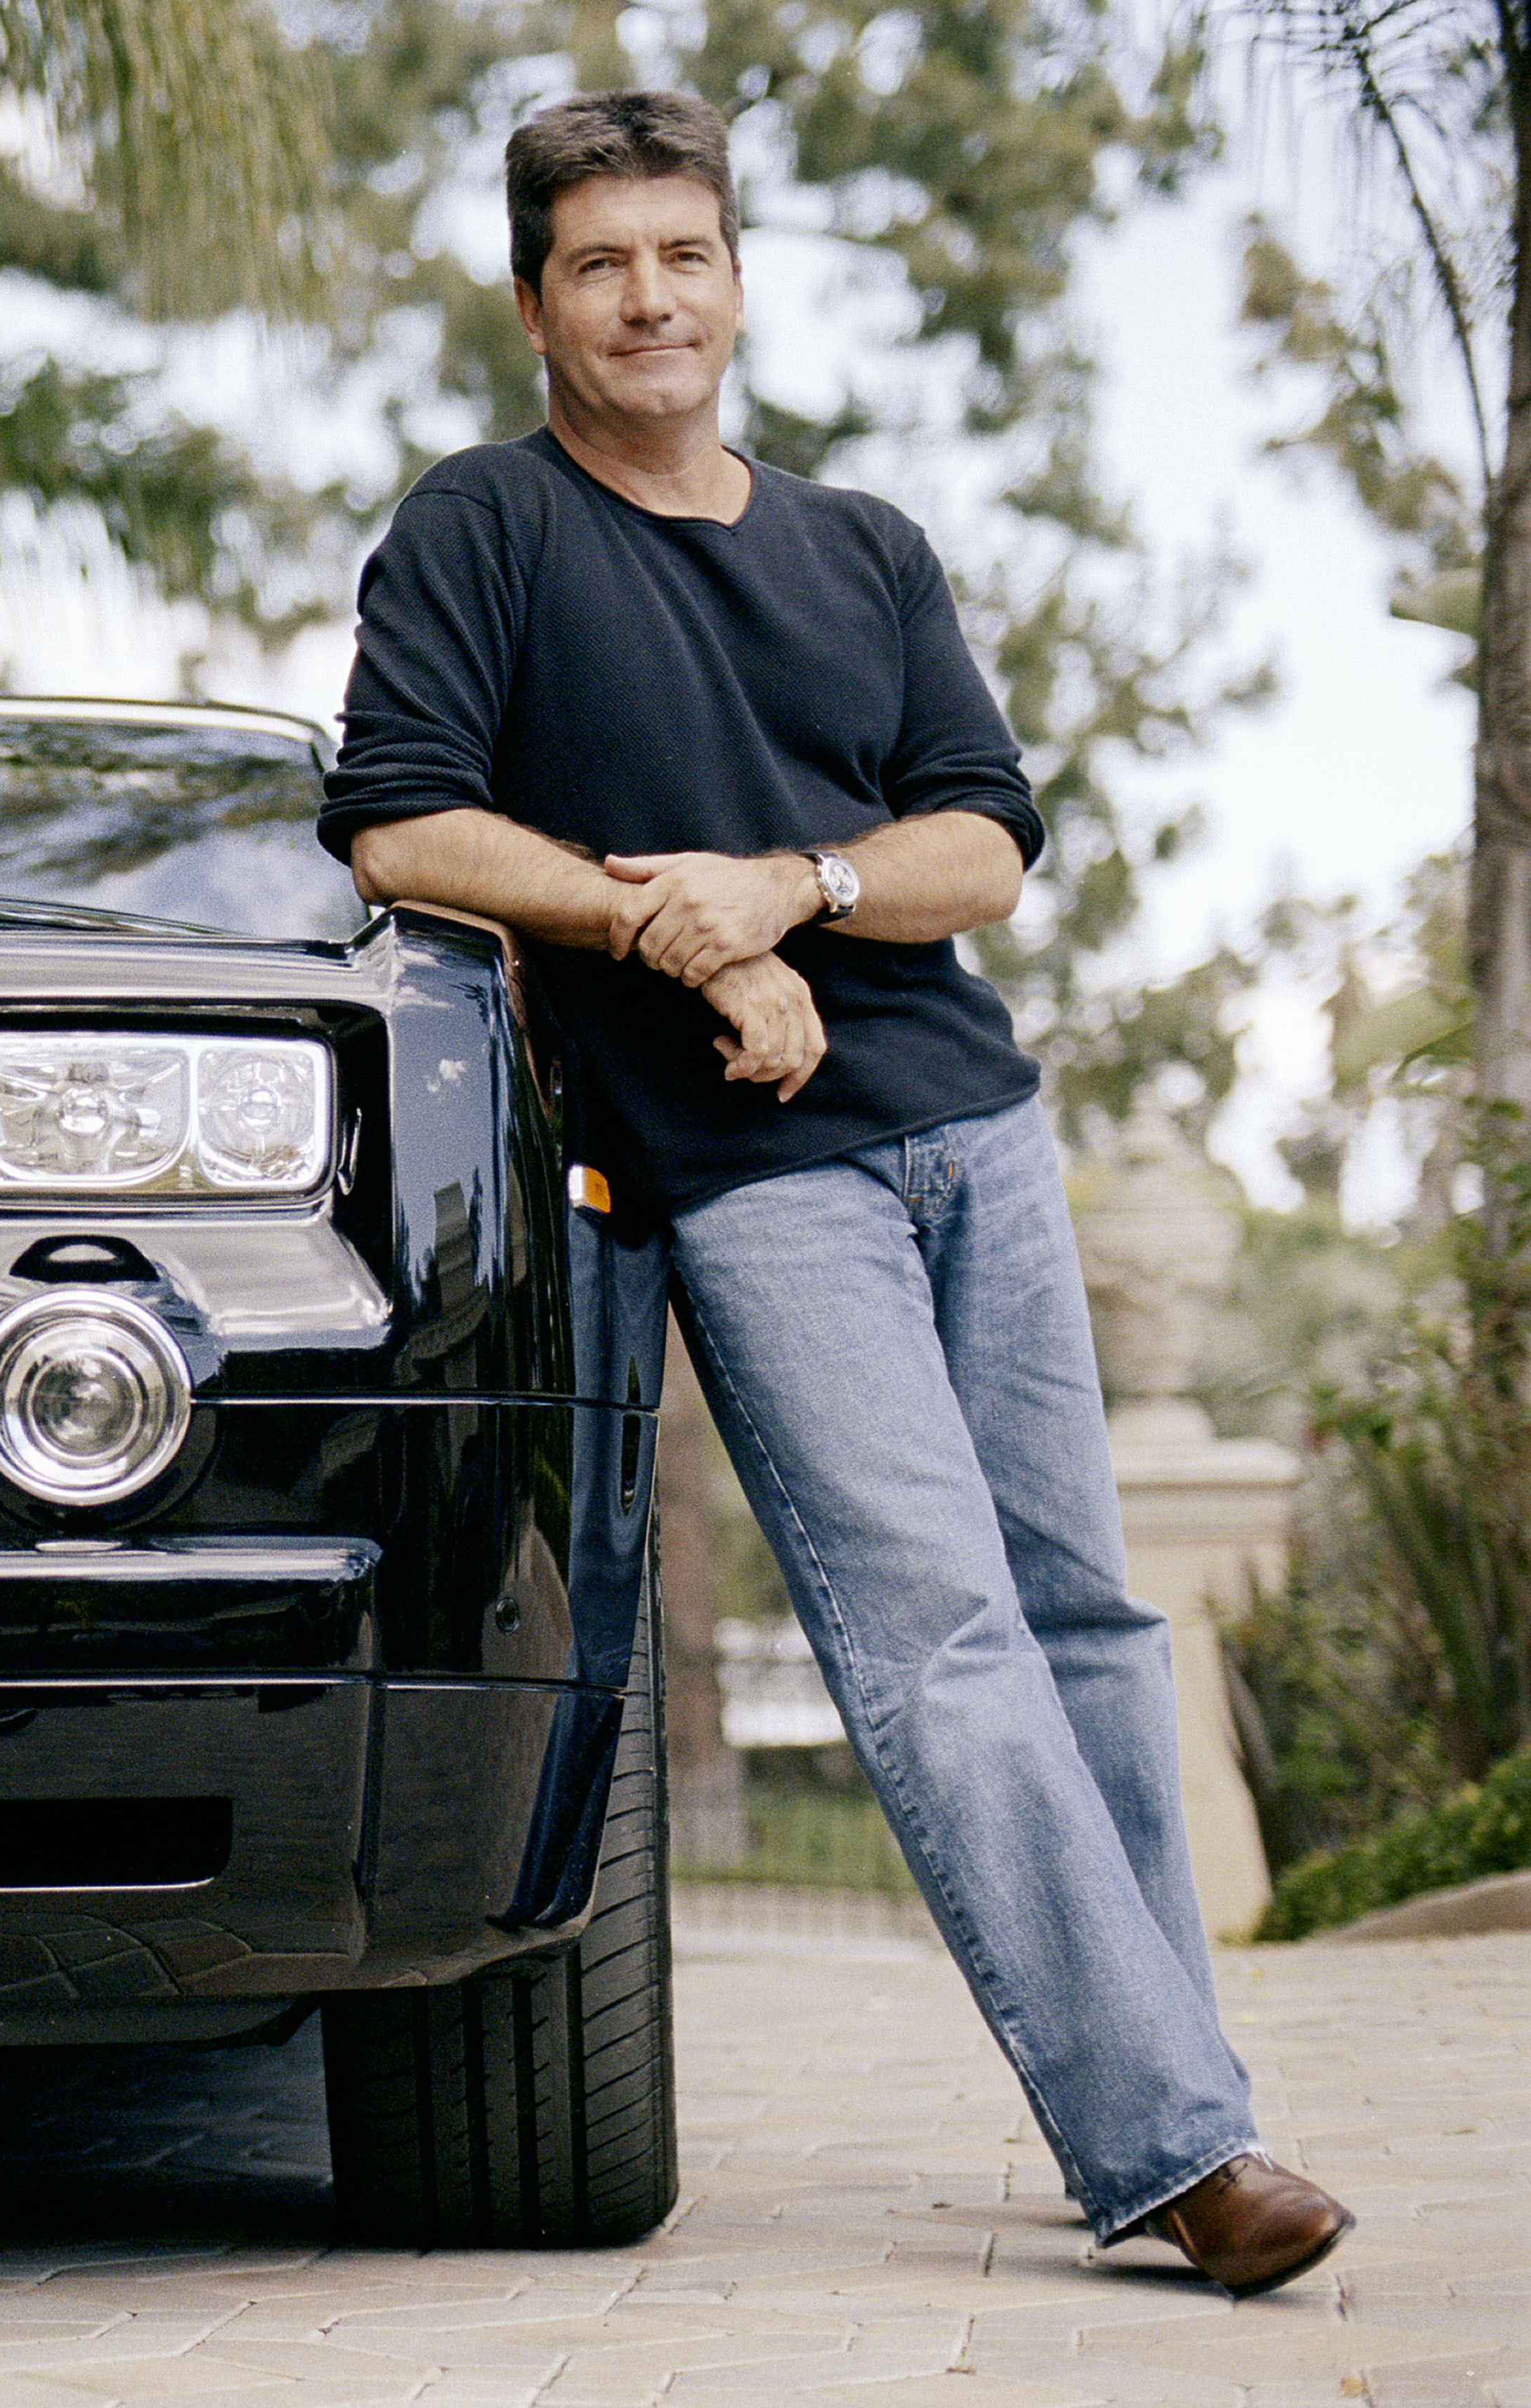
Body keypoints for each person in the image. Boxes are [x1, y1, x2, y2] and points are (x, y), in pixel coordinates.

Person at [313, 86, 1352, 2299]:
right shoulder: (480, 531)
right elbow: (401, 829)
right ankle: (1170, 2147)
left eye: (678, 254)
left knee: (1085, 1624)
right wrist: (682, 937)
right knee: (944, 1642)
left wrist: (790, 888)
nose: (645, 298)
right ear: (533, 305)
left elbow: (984, 837)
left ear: (733, 276)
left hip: (968, 1119)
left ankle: (1181, 2093)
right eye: (596, 264)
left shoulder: (864, 545)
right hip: (744, 1167)